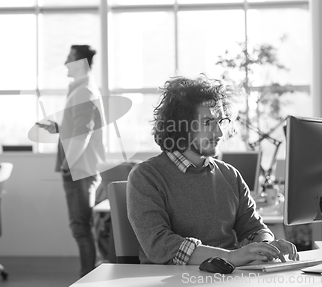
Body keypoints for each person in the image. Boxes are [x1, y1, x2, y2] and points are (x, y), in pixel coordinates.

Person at [127, 75, 299, 266]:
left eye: (220, 121)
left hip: (228, 278)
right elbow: (159, 245)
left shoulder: (230, 175)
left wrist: (266, 245)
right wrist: (231, 256)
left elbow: (253, 227)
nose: (218, 132)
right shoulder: (146, 176)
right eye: (207, 122)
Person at [37, 45, 106, 277]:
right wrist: (58, 127)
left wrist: (68, 164)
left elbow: (83, 133)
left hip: (79, 170)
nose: (65, 63)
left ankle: (87, 279)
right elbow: (79, 127)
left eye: (69, 58)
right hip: (79, 169)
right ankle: (88, 276)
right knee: (81, 228)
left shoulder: (84, 91)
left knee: (81, 228)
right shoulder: (80, 89)